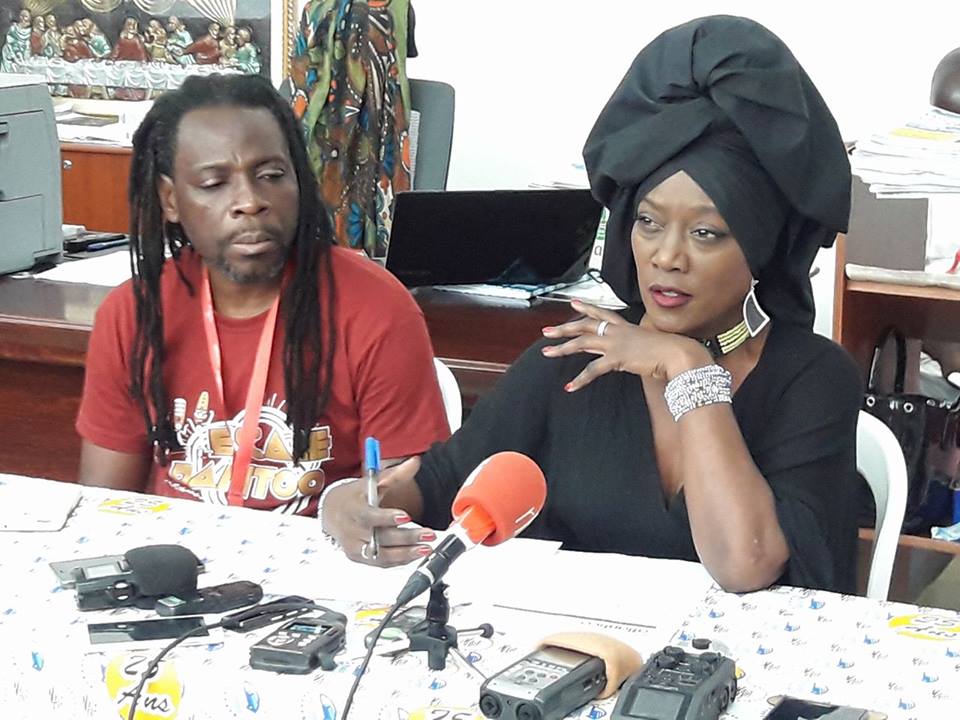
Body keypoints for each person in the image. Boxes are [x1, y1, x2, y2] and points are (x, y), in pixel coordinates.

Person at [321, 15, 862, 593]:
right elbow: (437, 485)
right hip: (572, 644)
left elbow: (744, 564)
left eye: (706, 233)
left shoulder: (814, 378)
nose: (667, 257)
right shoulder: (573, 356)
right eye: (649, 223)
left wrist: (687, 366)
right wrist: (346, 502)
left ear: (758, 247)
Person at [76, 74, 450, 517]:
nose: (250, 201)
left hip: (320, 552)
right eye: (214, 184)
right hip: (177, 551)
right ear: (170, 199)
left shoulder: (376, 308)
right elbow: (106, 504)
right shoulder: (134, 313)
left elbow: (411, 494)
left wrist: (357, 508)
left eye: (272, 175)